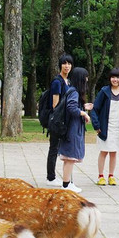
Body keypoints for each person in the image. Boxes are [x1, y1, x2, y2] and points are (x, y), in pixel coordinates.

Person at [91, 67, 119, 186]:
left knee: (114, 152)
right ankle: (100, 176)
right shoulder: (104, 92)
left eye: (117, 77)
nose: (115, 79)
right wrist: (96, 125)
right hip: (105, 127)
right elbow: (95, 109)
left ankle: (111, 176)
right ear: (110, 78)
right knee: (104, 152)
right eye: (113, 77)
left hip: (118, 128)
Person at [57, 67, 92, 193]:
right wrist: (84, 113)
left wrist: (83, 107)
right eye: (85, 77)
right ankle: (66, 185)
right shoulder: (74, 92)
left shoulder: (72, 91)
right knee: (70, 158)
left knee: (68, 158)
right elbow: (71, 108)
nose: (87, 80)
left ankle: (68, 183)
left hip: (71, 128)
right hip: (72, 130)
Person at [45, 53, 73, 186]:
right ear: (60, 65)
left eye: (69, 64)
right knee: (54, 148)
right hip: (57, 120)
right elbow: (55, 104)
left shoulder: (68, 81)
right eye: (64, 63)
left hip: (64, 120)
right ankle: (50, 177)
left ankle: (65, 177)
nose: (67, 66)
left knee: (60, 148)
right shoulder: (57, 82)